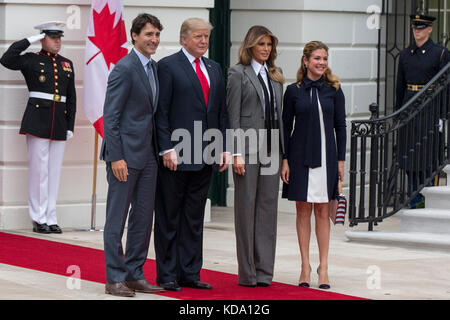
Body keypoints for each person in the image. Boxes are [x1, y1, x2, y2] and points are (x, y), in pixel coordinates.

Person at [154, 17, 230, 291]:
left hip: (206, 155)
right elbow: (161, 112)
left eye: (206, 37)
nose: (203, 41)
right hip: (175, 156)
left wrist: (224, 148)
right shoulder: (168, 66)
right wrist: (166, 148)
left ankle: (189, 272)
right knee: (169, 216)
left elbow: (221, 112)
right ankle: (166, 275)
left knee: (194, 217)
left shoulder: (215, 68)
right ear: (183, 39)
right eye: (198, 36)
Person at [101, 13, 164, 297]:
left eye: (157, 34)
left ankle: (134, 273)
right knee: (116, 219)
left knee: (142, 217)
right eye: (149, 34)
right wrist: (115, 157)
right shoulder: (124, 69)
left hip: (148, 155)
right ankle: (115, 278)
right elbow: (110, 117)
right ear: (135, 36)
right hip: (123, 156)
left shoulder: (154, 69)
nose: (154, 39)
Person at [280, 41, 346, 289]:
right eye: (317, 58)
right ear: (305, 61)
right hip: (299, 157)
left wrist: (341, 160)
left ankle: (324, 267)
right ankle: (305, 266)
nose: (321, 62)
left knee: (322, 211)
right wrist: (285, 159)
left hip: (327, 158)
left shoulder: (334, 90)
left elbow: (341, 126)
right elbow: (285, 127)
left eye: (325, 58)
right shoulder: (293, 91)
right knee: (302, 211)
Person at [0, 21, 76, 234]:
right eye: (53, 37)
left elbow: (71, 98)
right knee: (38, 172)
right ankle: (38, 217)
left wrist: (70, 125)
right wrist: (30, 40)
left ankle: (51, 217)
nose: (57, 41)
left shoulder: (66, 63)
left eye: (59, 37)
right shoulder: (32, 59)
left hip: (59, 122)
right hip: (37, 120)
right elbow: (6, 59)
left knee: (53, 172)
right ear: (43, 39)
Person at [226, 25, 285, 287]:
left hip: (273, 149)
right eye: (261, 44)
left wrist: (285, 156)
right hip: (247, 150)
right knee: (246, 210)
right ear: (250, 45)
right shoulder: (237, 74)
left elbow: (280, 116)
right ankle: (247, 273)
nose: (266, 49)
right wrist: (236, 152)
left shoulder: (276, 74)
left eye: (269, 44)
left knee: (267, 211)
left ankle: (264, 272)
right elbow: (233, 115)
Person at [395, 13, 450, 209]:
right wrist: (398, 113)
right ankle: (414, 197)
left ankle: (426, 198)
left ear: (429, 29)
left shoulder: (440, 53)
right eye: (415, 27)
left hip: (430, 107)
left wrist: (443, 115)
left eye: (421, 27)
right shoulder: (405, 54)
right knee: (409, 156)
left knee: (428, 156)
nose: (417, 31)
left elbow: (446, 87)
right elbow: (400, 87)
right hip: (410, 106)